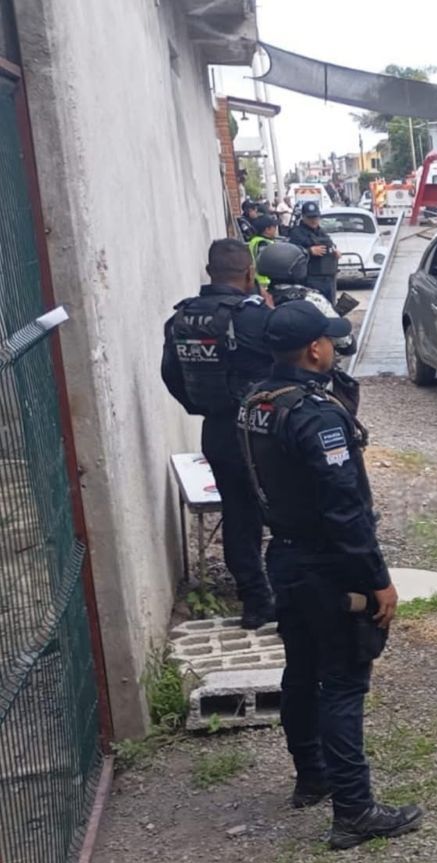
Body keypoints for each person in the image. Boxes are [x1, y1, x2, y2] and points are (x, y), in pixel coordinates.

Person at [237, 300, 422, 850]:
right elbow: (344, 507)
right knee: (342, 681)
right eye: (329, 340)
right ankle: (354, 809)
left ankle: (311, 777)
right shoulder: (315, 415)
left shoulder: (256, 401)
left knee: (300, 671)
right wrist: (377, 579)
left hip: (286, 558)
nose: (334, 347)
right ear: (314, 348)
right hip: (327, 565)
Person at [161, 239, 276, 629]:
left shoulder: (181, 319)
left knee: (239, 515)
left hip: (219, 430)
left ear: (208, 272)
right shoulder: (255, 318)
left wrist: (203, 407)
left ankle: (255, 603)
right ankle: (291, 596)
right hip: (264, 430)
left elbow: (172, 377)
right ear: (249, 274)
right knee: (287, 511)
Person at [287, 202, 339, 303]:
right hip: (309, 278)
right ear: (303, 217)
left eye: (316, 217)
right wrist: (308, 251)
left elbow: (330, 244)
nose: (314, 220)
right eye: (310, 218)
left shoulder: (320, 231)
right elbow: (291, 254)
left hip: (327, 278)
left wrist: (334, 251)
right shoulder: (296, 233)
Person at [247, 217, 280, 293]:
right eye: (274, 227)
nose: (275, 230)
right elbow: (266, 261)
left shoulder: (255, 240)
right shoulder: (263, 243)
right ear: (267, 229)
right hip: (265, 282)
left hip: (259, 280)